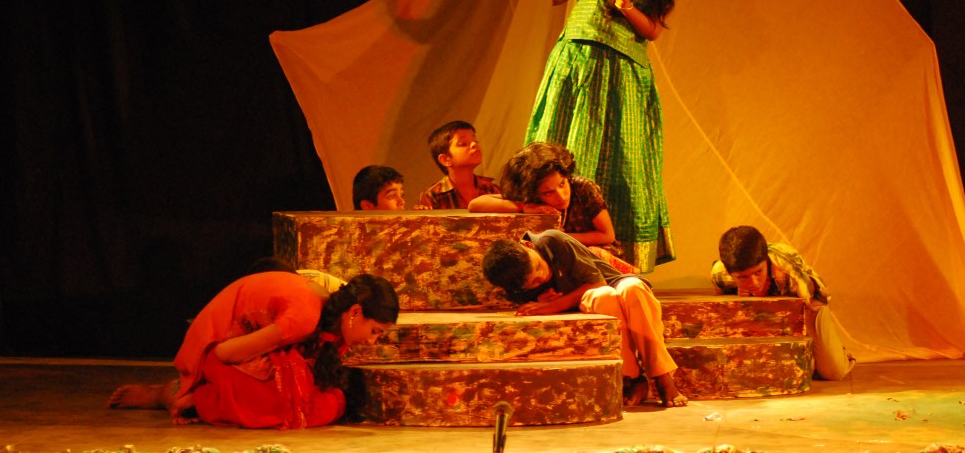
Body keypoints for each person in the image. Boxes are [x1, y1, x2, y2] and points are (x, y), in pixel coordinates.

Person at [526, 0, 678, 274]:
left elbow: (652, 30)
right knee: (566, 146)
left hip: (626, 70)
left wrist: (626, 6)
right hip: (581, 58)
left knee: (625, 159)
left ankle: (615, 256)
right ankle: (547, 248)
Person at [108, 272, 399, 428]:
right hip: (216, 352)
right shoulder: (303, 319)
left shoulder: (337, 321)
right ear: (355, 312)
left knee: (322, 399)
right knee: (279, 403)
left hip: (250, 355)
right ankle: (176, 393)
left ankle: (205, 396)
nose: (372, 341)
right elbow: (226, 353)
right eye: (375, 331)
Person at [481, 230, 687, 408]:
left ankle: (662, 375)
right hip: (592, 299)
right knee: (605, 298)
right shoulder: (513, 284)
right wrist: (540, 299)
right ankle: (632, 378)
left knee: (634, 288)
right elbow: (593, 294)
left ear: (528, 247)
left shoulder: (552, 241)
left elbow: (597, 283)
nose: (541, 278)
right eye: (533, 283)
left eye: (539, 268)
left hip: (611, 283)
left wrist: (553, 305)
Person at [711, 225, 856, 381]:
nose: (754, 282)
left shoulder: (790, 275)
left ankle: (836, 351)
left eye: (758, 272)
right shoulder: (721, 275)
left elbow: (816, 297)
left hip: (808, 307)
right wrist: (740, 296)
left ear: (766, 261)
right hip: (769, 316)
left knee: (833, 371)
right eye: (743, 277)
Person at [468, 141, 636, 273]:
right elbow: (475, 204)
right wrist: (523, 207)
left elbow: (607, 235)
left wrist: (560, 238)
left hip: (597, 255)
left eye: (562, 184)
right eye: (548, 193)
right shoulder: (531, 199)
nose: (561, 196)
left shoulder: (583, 188)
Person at [417, 120, 500, 209]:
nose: (474, 144)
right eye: (463, 144)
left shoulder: (492, 189)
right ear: (445, 159)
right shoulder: (433, 196)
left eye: (476, 141)